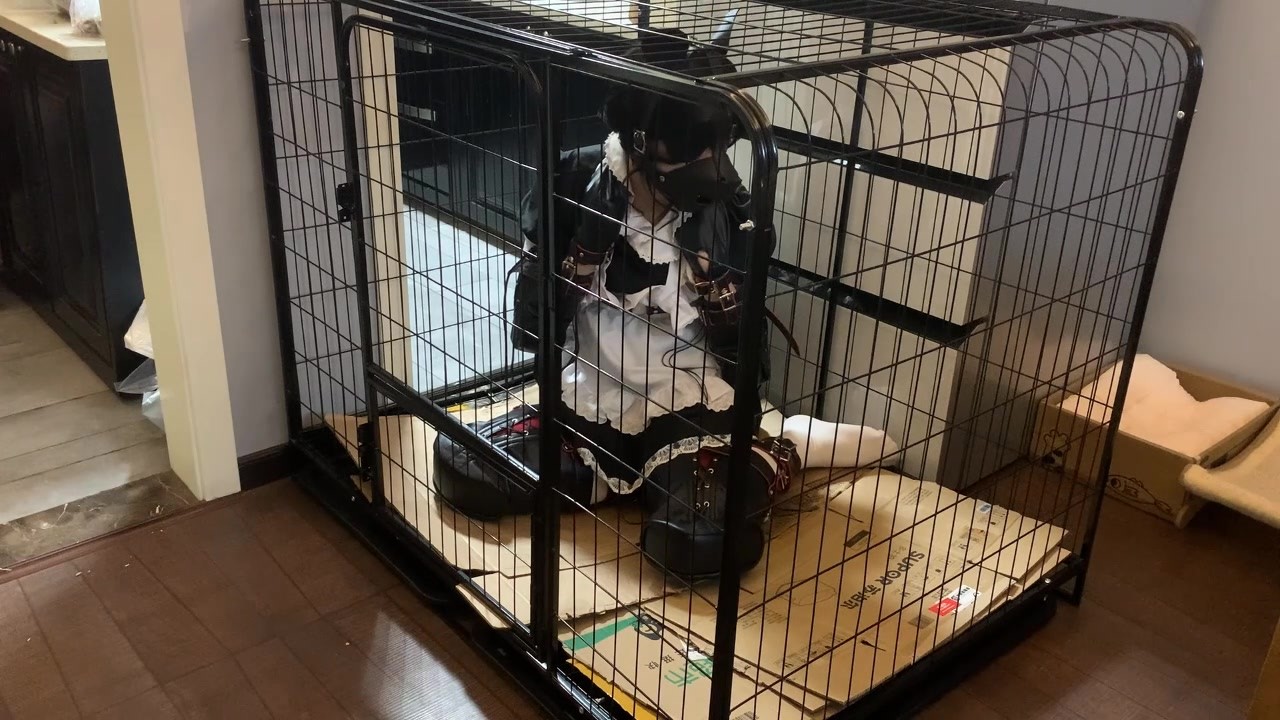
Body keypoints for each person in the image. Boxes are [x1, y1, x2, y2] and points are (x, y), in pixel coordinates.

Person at [435, 28, 896, 580]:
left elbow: (744, 342)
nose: (708, 168)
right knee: (464, 467)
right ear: (639, 146)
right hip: (591, 395)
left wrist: (712, 274)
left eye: (714, 152)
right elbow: (534, 325)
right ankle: (615, 479)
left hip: (687, 404)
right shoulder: (573, 180)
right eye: (690, 155)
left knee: (696, 545)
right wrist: (582, 246)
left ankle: (784, 446)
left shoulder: (727, 204)